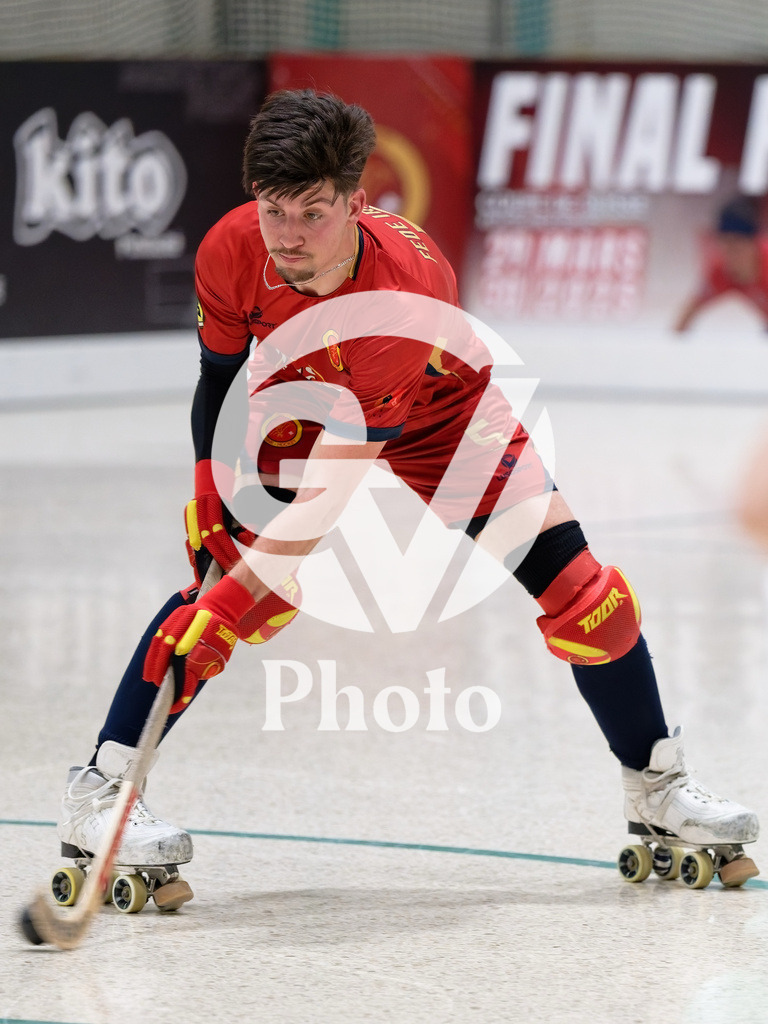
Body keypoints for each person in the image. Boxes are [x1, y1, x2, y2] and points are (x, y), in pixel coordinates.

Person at [57, 91, 759, 906]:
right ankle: (100, 793)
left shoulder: (405, 291)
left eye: (312, 214)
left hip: (443, 416)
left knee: (587, 598)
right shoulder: (231, 248)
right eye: (272, 209)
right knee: (222, 591)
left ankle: (657, 788)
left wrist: (251, 583)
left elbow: (341, 478)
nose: (286, 236)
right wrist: (208, 495)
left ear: (357, 202)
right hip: (303, 401)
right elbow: (218, 376)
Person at [674, 196, 768, 332]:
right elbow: (688, 313)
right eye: (726, 247)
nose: (732, 256)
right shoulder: (721, 271)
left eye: (737, 247)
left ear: (754, 243)